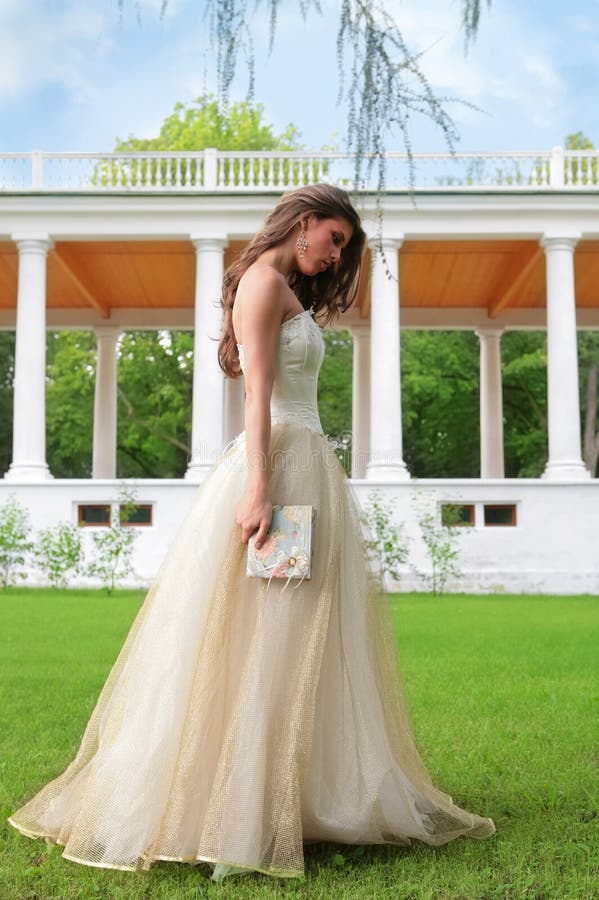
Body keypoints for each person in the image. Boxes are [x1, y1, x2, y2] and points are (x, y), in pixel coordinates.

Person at [7, 184, 496, 883]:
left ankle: (291, 795)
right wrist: (259, 490)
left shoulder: (282, 285)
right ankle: (239, 807)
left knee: (299, 633)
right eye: (333, 239)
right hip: (278, 471)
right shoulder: (263, 285)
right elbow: (256, 395)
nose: (334, 258)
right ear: (303, 222)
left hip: (304, 465)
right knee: (267, 629)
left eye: (344, 250)